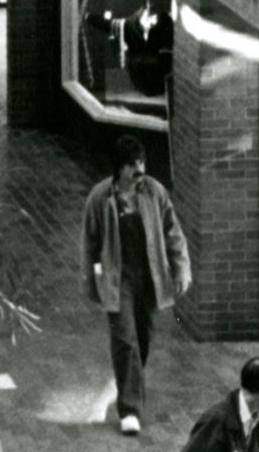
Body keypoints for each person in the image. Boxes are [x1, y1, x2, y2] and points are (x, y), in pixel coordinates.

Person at [77, 136, 190, 435]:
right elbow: (90, 243)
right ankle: (130, 410)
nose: (139, 169)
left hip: (150, 277)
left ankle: (126, 383)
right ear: (120, 167)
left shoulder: (154, 192)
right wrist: (92, 279)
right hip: (118, 279)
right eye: (132, 165)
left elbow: (172, 232)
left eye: (141, 163)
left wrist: (181, 269)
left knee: (143, 339)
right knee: (125, 340)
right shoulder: (100, 198)